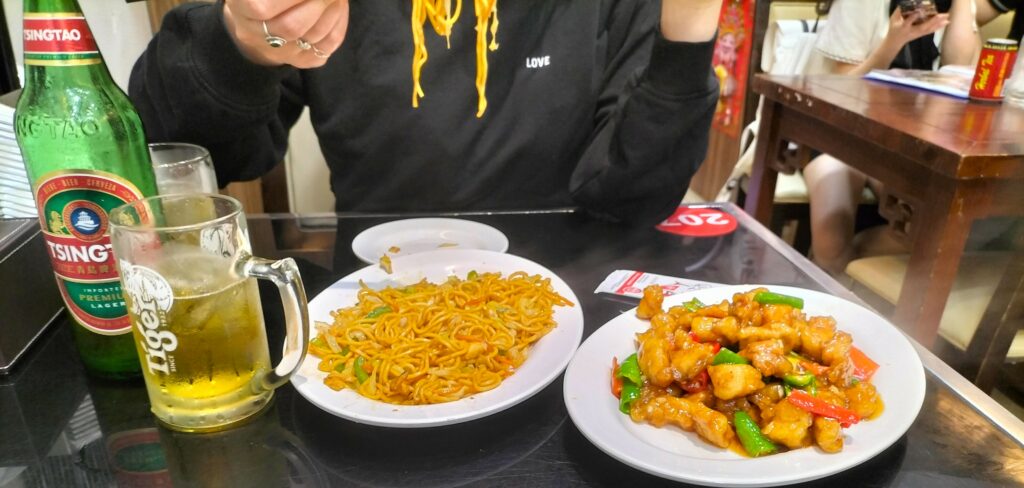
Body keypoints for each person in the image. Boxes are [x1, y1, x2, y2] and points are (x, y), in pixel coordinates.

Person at [129, 0, 723, 226]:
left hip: (568, 306)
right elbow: (176, 149)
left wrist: (690, 29)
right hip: (370, 294)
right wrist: (241, 43)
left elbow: (632, 195)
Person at [800, 0, 980, 276]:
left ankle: (848, 271)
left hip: (906, 141)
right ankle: (832, 270)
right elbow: (839, 88)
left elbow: (959, 64)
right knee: (831, 247)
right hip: (837, 131)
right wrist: (894, 41)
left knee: (930, 233)